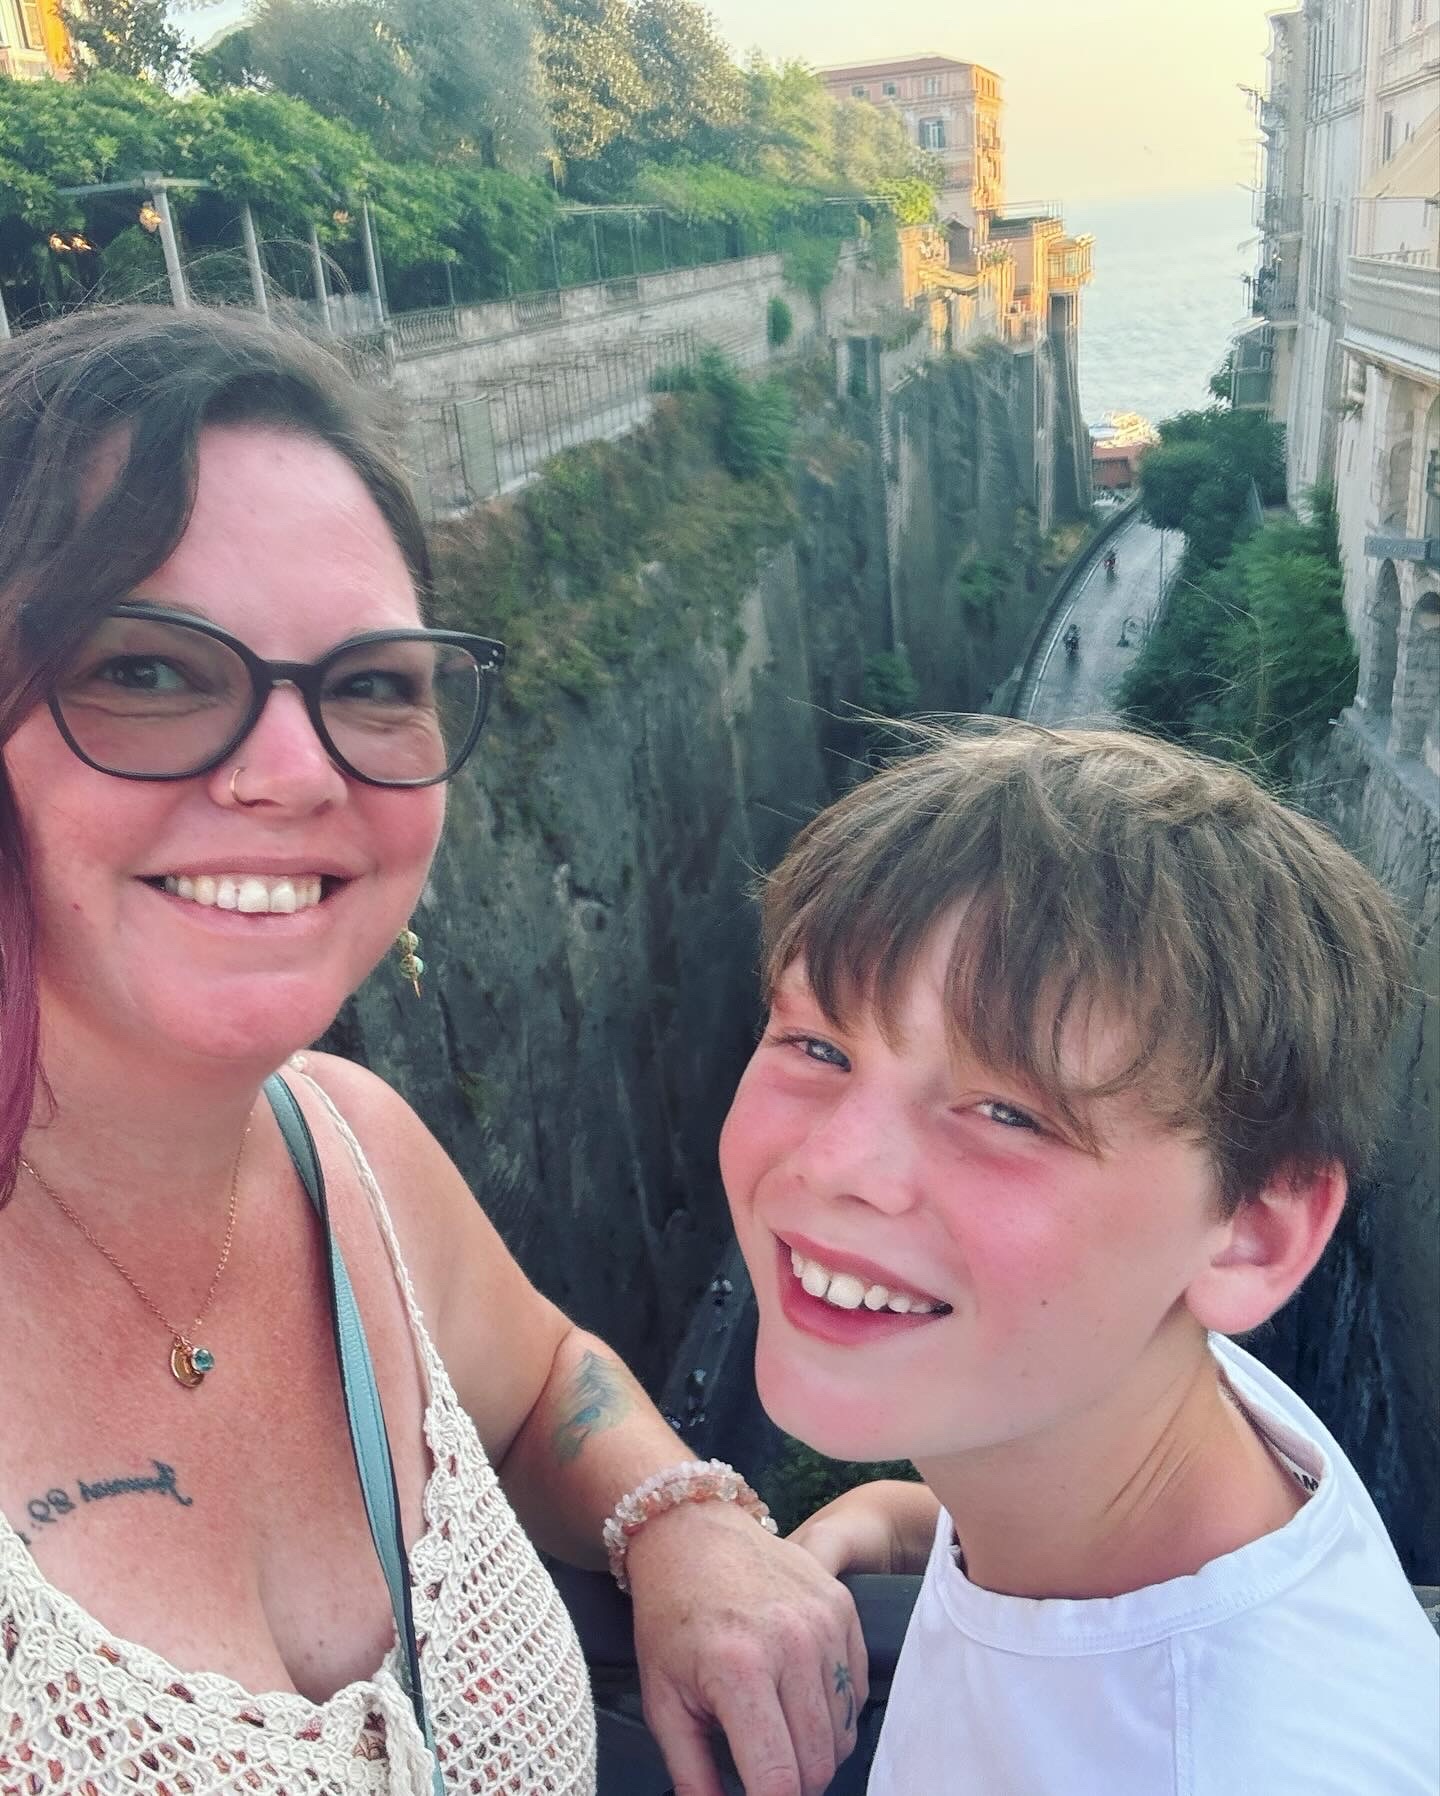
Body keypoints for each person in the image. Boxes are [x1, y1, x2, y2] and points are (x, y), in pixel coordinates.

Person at [0, 305, 866, 1796]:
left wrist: (682, 1518)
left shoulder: (349, 1149)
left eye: (372, 683)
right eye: (144, 670)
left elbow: (539, 1384)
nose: (294, 771)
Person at [718, 721, 1440, 1794]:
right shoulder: (1175, 1396)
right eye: (817, 1046)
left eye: (1008, 1111)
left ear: (1255, 1232)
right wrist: (889, 1520)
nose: (834, 1162)